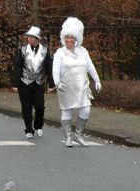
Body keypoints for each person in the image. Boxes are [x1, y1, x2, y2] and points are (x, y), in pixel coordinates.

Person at [52, 17, 101, 147]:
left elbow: (90, 67)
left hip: (82, 86)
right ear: (63, 38)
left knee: (86, 110)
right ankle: (68, 137)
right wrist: (57, 83)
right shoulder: (60, 52)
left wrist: (97, 80)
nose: (69, 40)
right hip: (65, 86)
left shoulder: (83, 51)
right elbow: (55, 69)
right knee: (66, 110)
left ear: (77, 39)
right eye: (67, 37)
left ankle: (78, 135)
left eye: (72, 37)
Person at [11, 26, 55, 139]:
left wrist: (51, 84)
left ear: (38, 39)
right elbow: (17, 67)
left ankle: (38, 125)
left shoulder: (45, 51)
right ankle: (28, 129)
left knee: (40, 107)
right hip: (24, 82)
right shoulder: (23, 50)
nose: (29, 39)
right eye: (28, 37)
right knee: (26, 108)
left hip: (39, 83)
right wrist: (15, 84)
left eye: (31, 37)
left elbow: (49, 68)